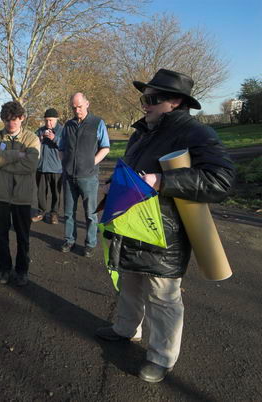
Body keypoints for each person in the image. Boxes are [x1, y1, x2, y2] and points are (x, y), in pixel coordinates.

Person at [95, 69, 235, 383]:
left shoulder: (195, 133)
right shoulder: (144, 131)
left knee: (162, 297)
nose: (144, 104)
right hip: (132, 226)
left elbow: (222, 180)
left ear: (175, 102)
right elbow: (131, 171)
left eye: (152, 98)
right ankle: (126, 329)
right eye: (144, 97)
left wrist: (163, 180)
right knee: (129, 283)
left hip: (165, 233)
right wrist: (112, 184)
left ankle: (161, 357)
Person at [0, 101, 40, 287]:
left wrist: (4, 160)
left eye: (15, 119)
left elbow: (31, 165)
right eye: (7, 120)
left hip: (22, 196)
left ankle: (22, 271)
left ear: (22, 118)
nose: (11, 124)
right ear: (3, 120)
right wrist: (17, 155)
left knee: (22, 237)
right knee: (0, 237)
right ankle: (4, 268)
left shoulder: (32, 138)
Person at [60, 93, 110, 257]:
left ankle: (90, 243)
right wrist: (65, 164)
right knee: (68, 213)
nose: (77, 110)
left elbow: (105, 147)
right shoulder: (68, 125)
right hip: (69, 176)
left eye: (80, 107)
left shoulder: (97, 123)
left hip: (88, 177)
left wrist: (92, 162)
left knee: (90, 214)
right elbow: (61, 148)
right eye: (74, 107)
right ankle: (69, 240)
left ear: (87, 104)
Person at [32, 108, 64, 224]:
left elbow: (67, 146)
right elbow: (32, 145)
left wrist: (54, 138)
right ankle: (41, 212)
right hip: (41, 167)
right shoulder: (40, 131)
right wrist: (39, 140)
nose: (48, 123)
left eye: (50, 120)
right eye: (46, 120)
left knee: (56, 192)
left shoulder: (62, 130)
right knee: (41, 192)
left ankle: (54, 214)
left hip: (57, 168)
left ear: (56, 119)